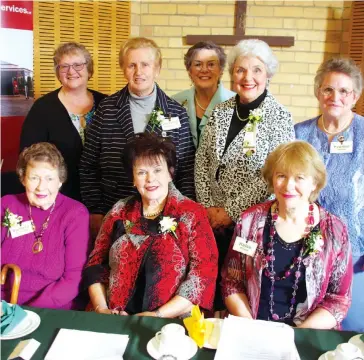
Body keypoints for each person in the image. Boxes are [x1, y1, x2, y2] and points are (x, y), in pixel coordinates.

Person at [195, 39, 295, 310]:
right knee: (207, 283)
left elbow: (276, 176)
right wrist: (207, 208)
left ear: (268, 75)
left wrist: (230, 211)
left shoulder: (280, 117)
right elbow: (202, 160)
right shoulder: (221, 110)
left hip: (250, 224)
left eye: (256, 70)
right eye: (240, 70)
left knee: (238, 288)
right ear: (232, 75)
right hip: (210, 219)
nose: (247, 77)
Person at [83, 133, 217, 317]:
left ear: (170, 173)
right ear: (132, 178)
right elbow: (96, 263)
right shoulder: (119, 210)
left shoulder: (192, 213)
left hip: (170, 322)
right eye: (141, 172)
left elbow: (203, 276)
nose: (150, 179)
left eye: (157, 170)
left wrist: (158, 315)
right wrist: (102, 309)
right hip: (113, 317)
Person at [222, 141, 352, 329]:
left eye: (300, 177)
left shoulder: (335, 230)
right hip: (253, 328)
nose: (288, 186)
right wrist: (251, 327)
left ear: (314, 183)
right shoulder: (249, 222)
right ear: (272, 179)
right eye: (281, 176)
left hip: (308, 334)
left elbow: (339, 299)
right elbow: (231, 282)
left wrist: (297, 335)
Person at [80, 37, 196, 239]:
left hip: (165, 215)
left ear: (157, 69)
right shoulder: (106, 109)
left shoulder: (176, 112)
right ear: (124, 69)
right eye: (131, 65)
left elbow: (185, 168)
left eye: (145, 64)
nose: (138, 71)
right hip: (113, 212)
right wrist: (95, 210)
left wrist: (183, 210)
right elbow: (88, 165)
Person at [295, 58, 364, 332]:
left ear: (355, 96)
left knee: (350, 332)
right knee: (306, 329)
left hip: (356, 256)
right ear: (318, 92)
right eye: (328, 90)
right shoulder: (299, 134)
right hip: (303, 250)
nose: (335, 97)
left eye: (344, 91)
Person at [1, 143, 90, 309]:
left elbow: (74, 278)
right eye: (34, 178)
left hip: (50, 309)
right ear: (23, 179)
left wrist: (28, 312)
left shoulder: (74, 213)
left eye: (49, 178)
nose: (41, 187)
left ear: (60, 181)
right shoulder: (6, 205)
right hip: (4, 306)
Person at [20, 42, 106, 201]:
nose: (71, 71)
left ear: (89, 69)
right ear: (58, 73)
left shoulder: (107, 104)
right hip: (59, 198)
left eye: (78, 65)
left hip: (104, 196)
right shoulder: (42, 108)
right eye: (64, 66)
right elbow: (29, 157)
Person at [172, 41, 235, 147]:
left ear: (221, 70)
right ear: (189, 71)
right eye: (198, 64)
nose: (204, 70)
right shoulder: (174, 102)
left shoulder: (235, 103)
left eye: (211, 64)